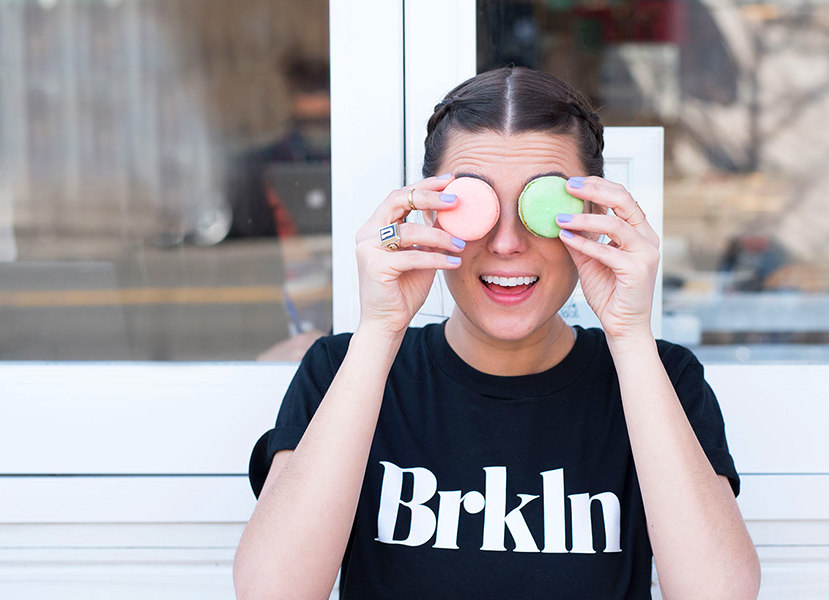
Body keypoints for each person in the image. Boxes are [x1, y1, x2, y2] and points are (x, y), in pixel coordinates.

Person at [234, 67, 760, 599]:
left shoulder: (661, 378)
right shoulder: (340, 370)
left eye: (543, 209)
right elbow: (272, 592)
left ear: (595, 215)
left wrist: (628, 334)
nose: (507, 243)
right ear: (431, 214)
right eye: (474, 206)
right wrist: (379, 330)